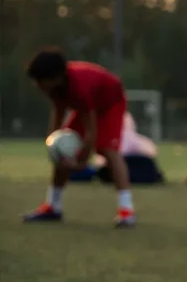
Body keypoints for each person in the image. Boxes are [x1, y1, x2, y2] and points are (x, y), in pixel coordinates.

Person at [22, 48, 137, 228]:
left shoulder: (78, 87)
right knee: (61, 147)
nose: (37, 85)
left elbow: (91, 131)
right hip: (90, 106)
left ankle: (126, 210)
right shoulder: (56, 87)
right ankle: (53, 206)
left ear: (56, 77)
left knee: (108, 150)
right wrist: (53, 141)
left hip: (110, 102)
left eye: (41, 80)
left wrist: (82, 160)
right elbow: (58, 111)